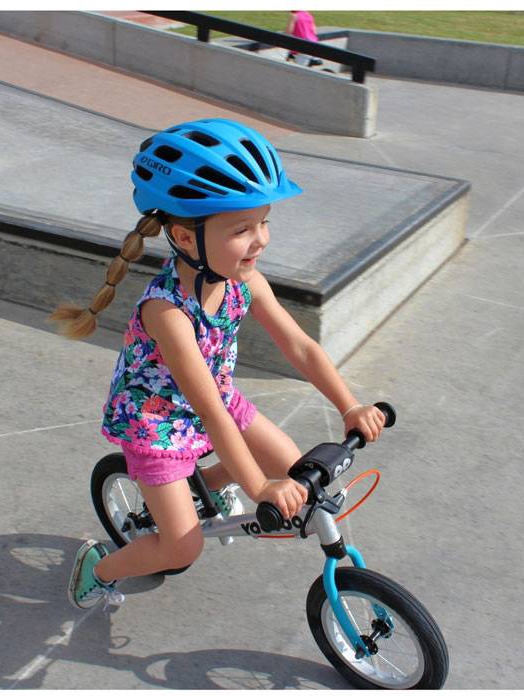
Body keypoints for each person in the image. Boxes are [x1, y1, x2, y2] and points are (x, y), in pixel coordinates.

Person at [53, 118, 387, 609]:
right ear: (186, 239)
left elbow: (300, 347)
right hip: (158, 423)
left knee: (292, 463)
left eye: (264, 221)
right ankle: (99, 569)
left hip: (214, 399)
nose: (261, 240)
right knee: (181, 548)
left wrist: (350, 405)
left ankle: (207, 486)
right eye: (242, 229)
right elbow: (207, 411)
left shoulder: (243, 282)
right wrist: (257, 486)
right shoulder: (166, 312)